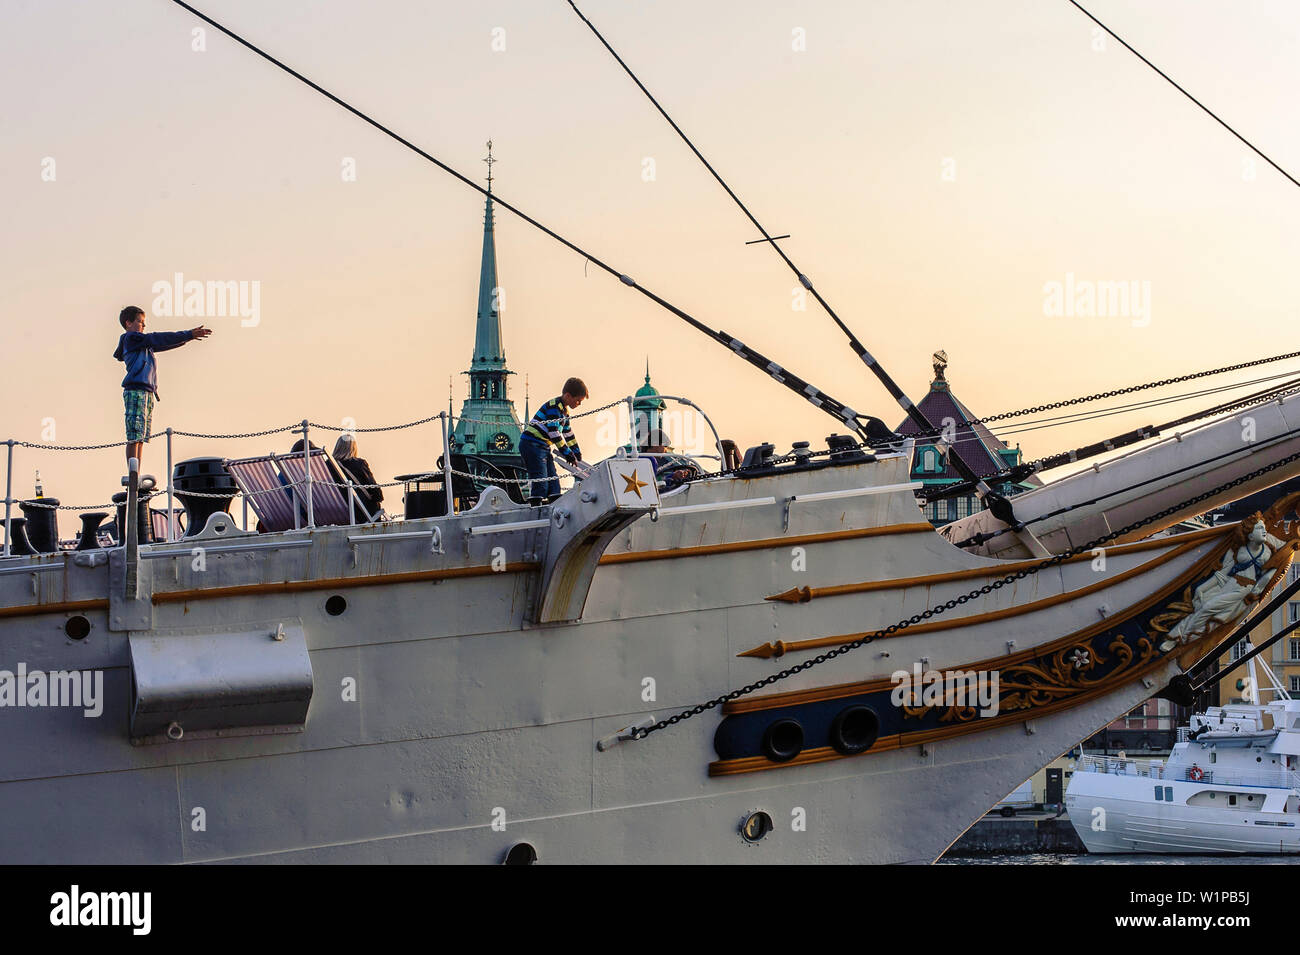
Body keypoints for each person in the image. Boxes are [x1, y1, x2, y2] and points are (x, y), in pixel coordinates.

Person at [113, 306, 211, 468]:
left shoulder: (142, 344)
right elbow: (157, 338)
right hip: (136, 390)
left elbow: (164, 343)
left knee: (142, 436)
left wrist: (188, 338)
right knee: (134, 435)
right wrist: (188, 334)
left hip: (147, 392)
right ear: (128, 323)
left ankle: (137, 469)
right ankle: (133, 472)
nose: (143, 326)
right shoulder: (131, 338)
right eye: (140, 321)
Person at [520, 377, 587, 505]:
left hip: (543, 446)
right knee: (541, 478)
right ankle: (536, 505)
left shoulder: (564, 412)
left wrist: (576, 452)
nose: (579, 404)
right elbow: (554, 433)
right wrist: (567, 454)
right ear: (568, 396)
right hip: (532, 444)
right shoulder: (554, 407)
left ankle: (554, 501)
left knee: (553, 480)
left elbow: (568, 433)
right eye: (578, 400)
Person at [332, 434, 384, 519]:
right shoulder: (359, 464)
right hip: (360, 512)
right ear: (353, 448)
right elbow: (376, 492)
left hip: (336, 512)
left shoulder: (328, 465)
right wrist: (379, 497)